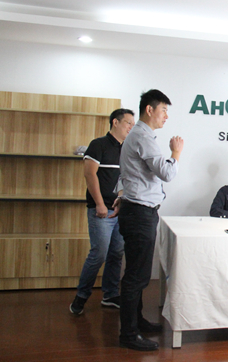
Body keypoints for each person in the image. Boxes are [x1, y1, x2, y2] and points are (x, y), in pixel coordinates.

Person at [114, 89, 184, 351]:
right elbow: (166, 173)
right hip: (140, 213)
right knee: (137, 275)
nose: (166, 116)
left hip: (139, 210)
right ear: (149, 109)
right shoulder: (143, 137)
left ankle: (137, 322)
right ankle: (128, 334)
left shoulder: (139, 136)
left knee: (138, 272)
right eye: (163, 110)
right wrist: (176, 152)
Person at [69, 108, 135, 315]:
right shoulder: (98, 145)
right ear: (115, 122)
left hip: (118, 210)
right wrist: (99, 204)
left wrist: (121, 201)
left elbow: (124, 179)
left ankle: (110, 295)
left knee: (116, 253)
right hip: (101, 210)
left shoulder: (126, 149)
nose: (131, 128)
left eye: (133, 125)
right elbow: (90, 174)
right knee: (99, 254)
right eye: (128, 123)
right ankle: (81, 297)